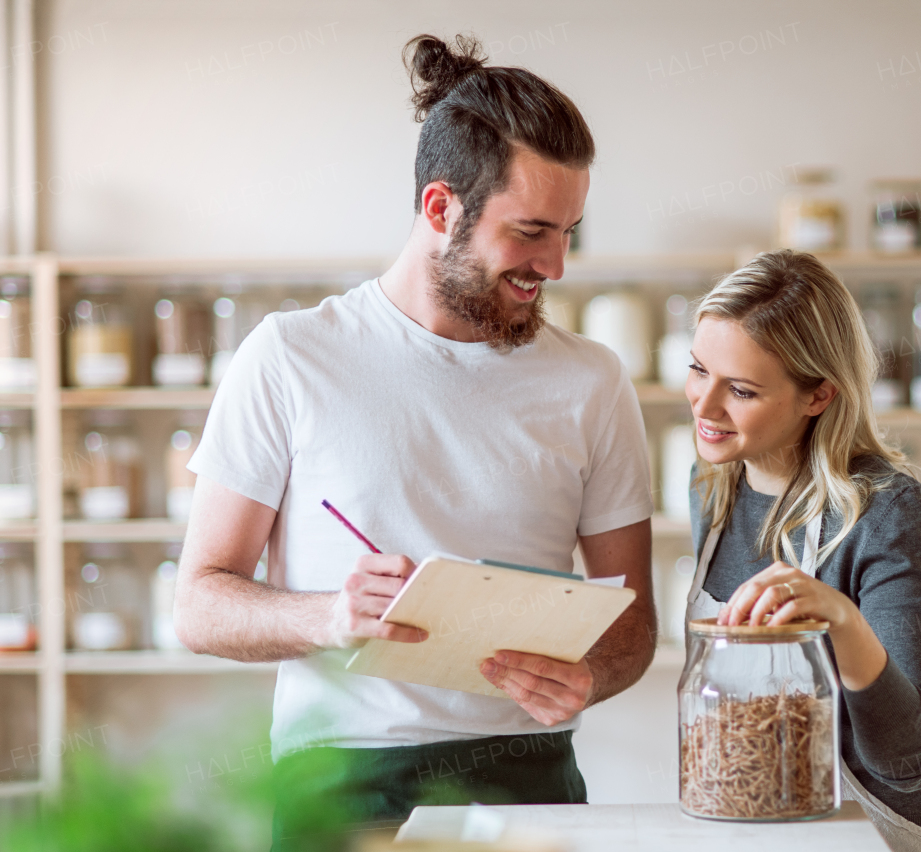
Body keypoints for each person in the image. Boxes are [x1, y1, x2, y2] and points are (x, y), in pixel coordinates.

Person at [173, 34, 657, 848]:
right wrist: (330, 615)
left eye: (570, 231)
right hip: (339, 779)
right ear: (441, 209)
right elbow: (198, 603)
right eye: (532, 231)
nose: (557, 265)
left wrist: (589, 675)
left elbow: (631, 621)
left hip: (528, 776)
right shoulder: (291, 356)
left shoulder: (593, 380)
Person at [683, 250, 921, 852]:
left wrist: (843, 623)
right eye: (698, 369)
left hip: (867, 837)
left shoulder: (889, 515)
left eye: (742, 391)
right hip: (743, 827)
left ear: (819, 396)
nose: (703, 407)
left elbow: (916, 759)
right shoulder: (712, 490)